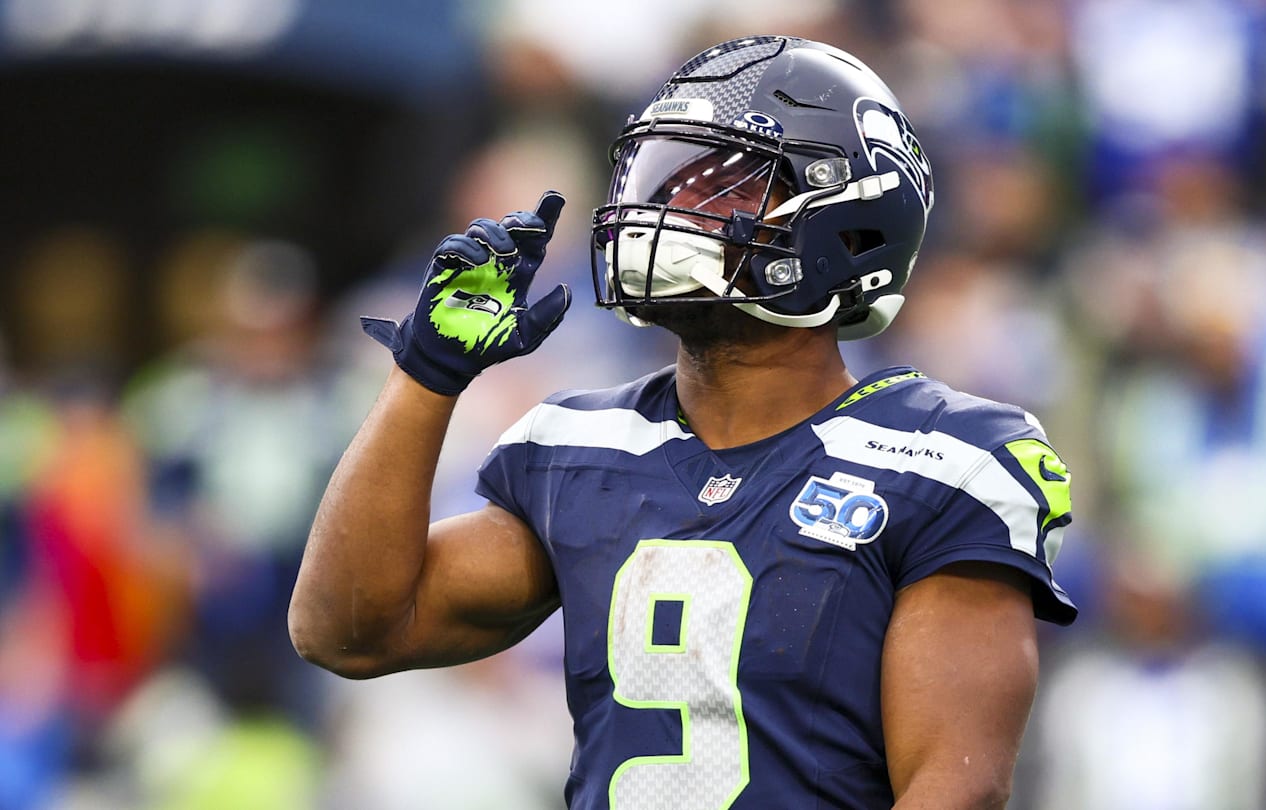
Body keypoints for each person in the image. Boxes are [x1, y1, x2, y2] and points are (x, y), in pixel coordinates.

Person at [290, 35, 1076, 809]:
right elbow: (350, 630)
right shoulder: (579, 448)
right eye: (668, 180)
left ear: (851, 225)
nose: (669, 211)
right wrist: (426, 379)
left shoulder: (940, 460)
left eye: (722, 189)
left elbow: (957, 785)